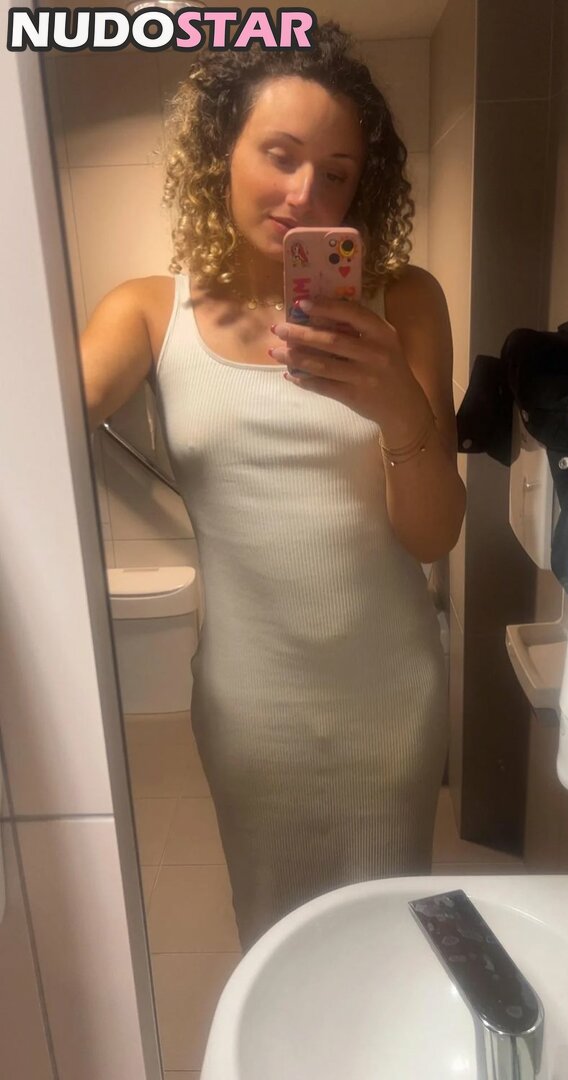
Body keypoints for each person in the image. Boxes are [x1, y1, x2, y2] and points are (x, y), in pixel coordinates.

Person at [81, 21, 466, 951]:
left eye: (336, 172)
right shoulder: (148, 311)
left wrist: (399, 407)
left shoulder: (405, 300)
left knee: (387, 940)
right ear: (223, 153)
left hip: (388, 695)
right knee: (273, 930)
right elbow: (34, 440)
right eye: (281, 156)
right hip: (251, 701)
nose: (305, 195)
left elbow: (433, 536)